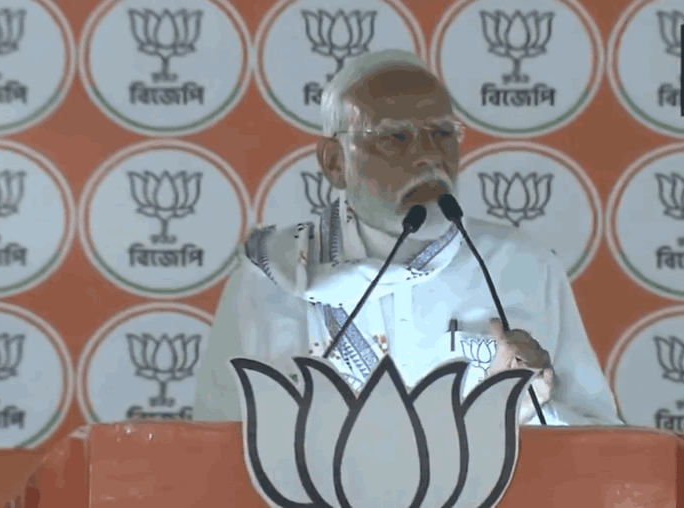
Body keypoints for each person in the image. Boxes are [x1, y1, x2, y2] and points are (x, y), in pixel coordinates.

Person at [192, 49, 624, 426]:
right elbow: (217, 445)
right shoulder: (272, 278)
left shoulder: (523, 267)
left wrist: (529, 406)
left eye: (442, 134)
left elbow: (597, 445)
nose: (428, 156)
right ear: (335, 162)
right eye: (395, 137)